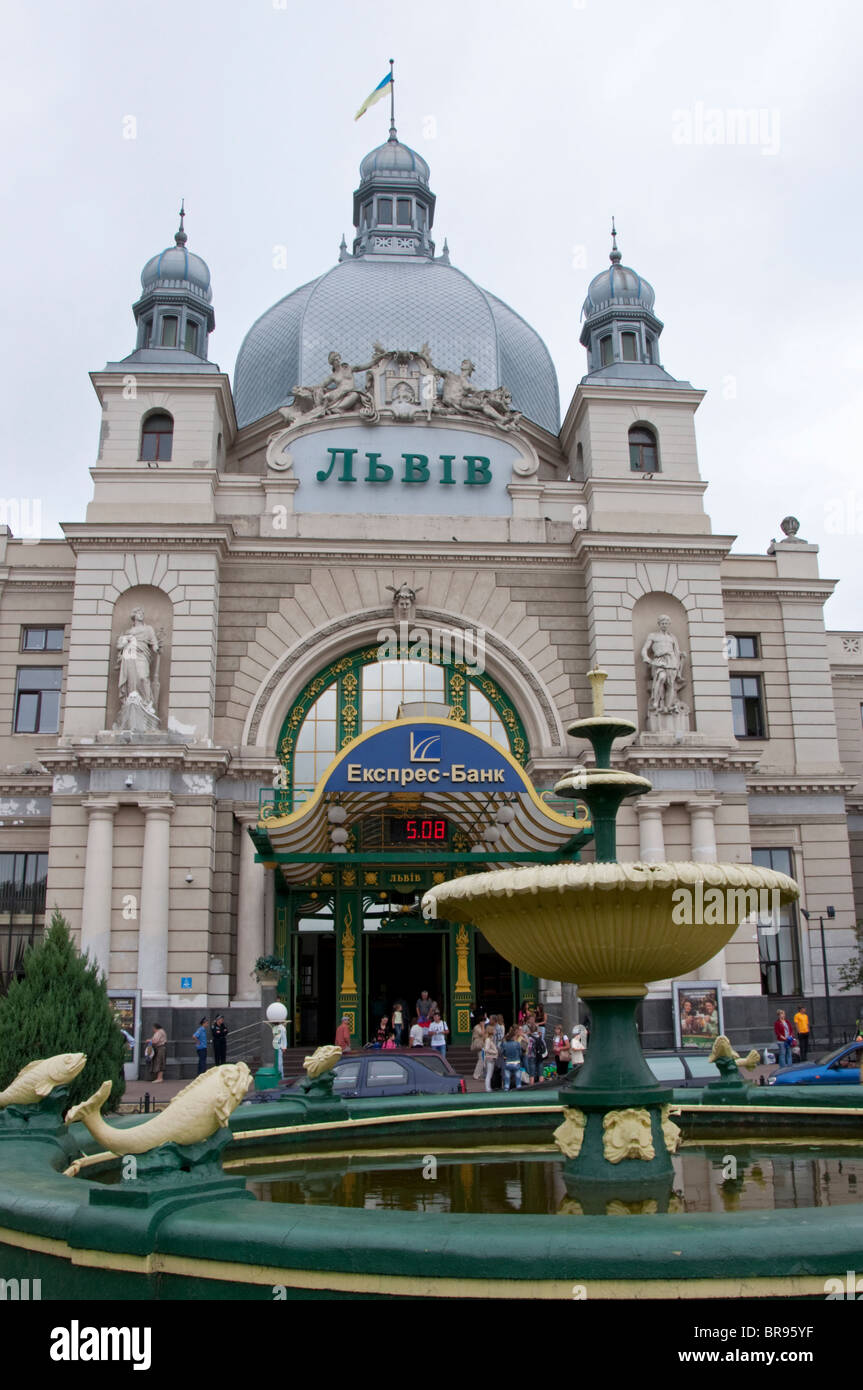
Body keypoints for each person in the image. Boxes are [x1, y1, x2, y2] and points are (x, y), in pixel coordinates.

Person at [482, 1026, 499, 1092]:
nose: (495, 1031)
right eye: (493, 1030)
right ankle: (488, 1088)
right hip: (490, 1058)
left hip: (491, 1058)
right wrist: (494, 1052)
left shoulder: (489, 1039)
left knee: (490, 1074)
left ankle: (488, 1088)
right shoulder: (488, 1040)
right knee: (489, 1074)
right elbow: (486, 1049)